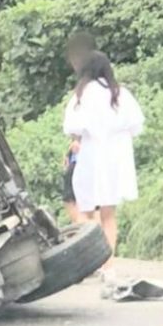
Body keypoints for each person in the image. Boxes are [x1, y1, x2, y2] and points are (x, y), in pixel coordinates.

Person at [62, 49, 144, 263]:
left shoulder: (81, 94)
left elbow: (72, 127)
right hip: (117, 157)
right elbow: (136, 124)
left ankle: (85, 261)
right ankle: (108, 263)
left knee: (85, 210)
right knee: (108, 213)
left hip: (91, 155)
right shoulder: (120, 93)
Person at [61, 32, 94, 224]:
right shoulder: (111, 91)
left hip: (85, 156)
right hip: (84, 154)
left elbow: (75, 128)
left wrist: (78, 143)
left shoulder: (85, 94)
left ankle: (89, 238)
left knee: (73, 200)